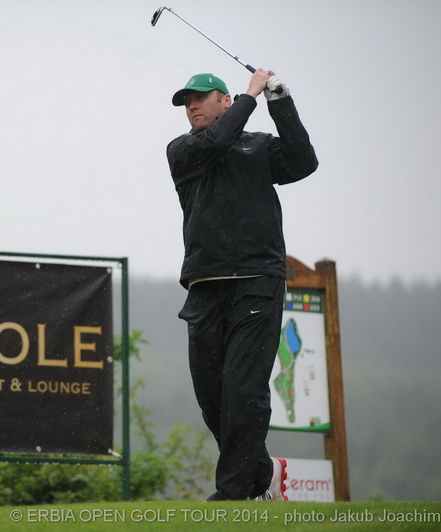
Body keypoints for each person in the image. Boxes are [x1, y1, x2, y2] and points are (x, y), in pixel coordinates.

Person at [166, 70, 318, 501]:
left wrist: (279, 100)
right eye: (187, 101)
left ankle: (233, 494)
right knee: (212, 398)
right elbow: (217, 142)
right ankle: (263, 473)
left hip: (257, 281)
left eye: (201, 97)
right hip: (205, 285)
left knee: (244, 389)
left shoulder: (258, 147)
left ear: (225, 101)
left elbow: (303, 162)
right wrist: (252, 94)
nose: (192, 105)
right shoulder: (183, 150)